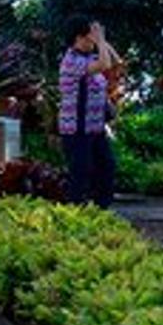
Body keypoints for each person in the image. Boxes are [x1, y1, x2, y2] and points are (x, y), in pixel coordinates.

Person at [57, 16, 119, 208]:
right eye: (89, 36)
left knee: (106, 167)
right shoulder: (71, 60)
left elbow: (114, 61)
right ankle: (76, 213)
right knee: (81, 173)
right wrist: (99, 40)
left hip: (94, 128)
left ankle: (102, 211)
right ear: (79, 37)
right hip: (77, 129)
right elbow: (104, 65)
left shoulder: (88, 57)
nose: (93, 41)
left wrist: (101, 39)